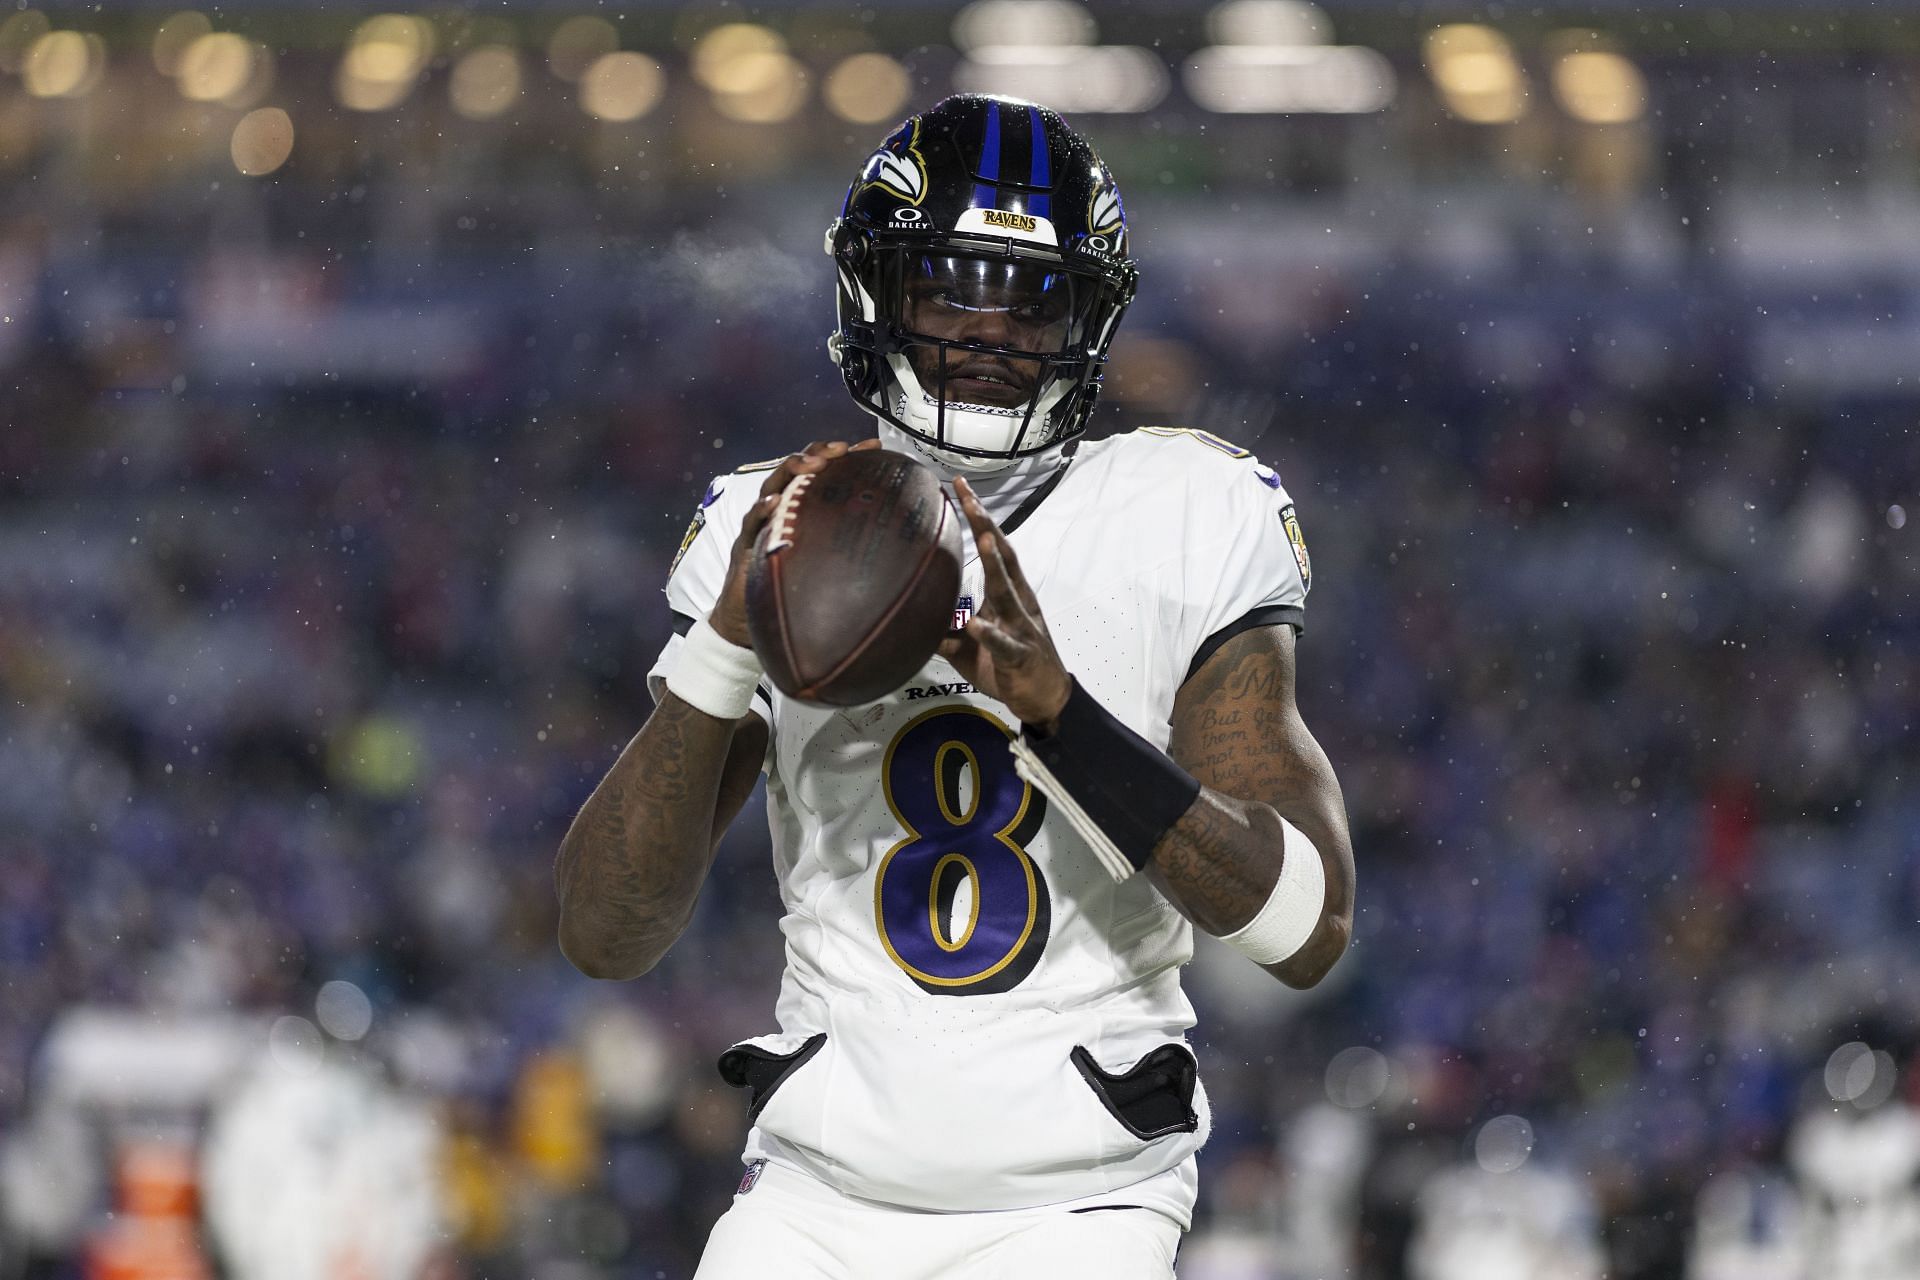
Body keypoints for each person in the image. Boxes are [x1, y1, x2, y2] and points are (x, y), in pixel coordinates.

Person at [555, 94, 1356, 1277]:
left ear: (1087, 319)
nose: (989, 331)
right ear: (877, 296)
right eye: (951, 285)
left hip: (1077, 1206)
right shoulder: (773, 523)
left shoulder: (1188, 510)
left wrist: (1062, 717)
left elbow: (1304, 928)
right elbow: (605, 929)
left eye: (1030, 297)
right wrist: (728, 640)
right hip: (817, 1195)